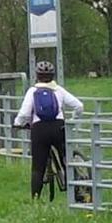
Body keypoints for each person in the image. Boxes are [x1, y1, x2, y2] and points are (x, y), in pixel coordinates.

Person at [19, 63, 82, 198]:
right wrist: (72, 120)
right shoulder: (58, 90)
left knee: (38, 166)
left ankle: (35, 198)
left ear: (37, 76)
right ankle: (78, 191)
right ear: (53, 76)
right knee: (66, 159)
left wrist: (17, 123)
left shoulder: (32, 91)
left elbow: (24, 113)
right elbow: (79, 106)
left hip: (39, 129)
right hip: (58, 127)